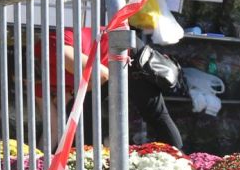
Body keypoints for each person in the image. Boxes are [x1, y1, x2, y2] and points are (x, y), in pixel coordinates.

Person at [34, 28, 183, 150]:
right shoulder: (35, 82)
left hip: (124, 52)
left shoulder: (54, 51)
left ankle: (180, 160)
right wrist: (37, 160)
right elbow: (53, 129)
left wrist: (71, 93)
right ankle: (87, 162)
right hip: (105, 69)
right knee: (76, 112)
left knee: (156, 115)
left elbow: (102, 75)